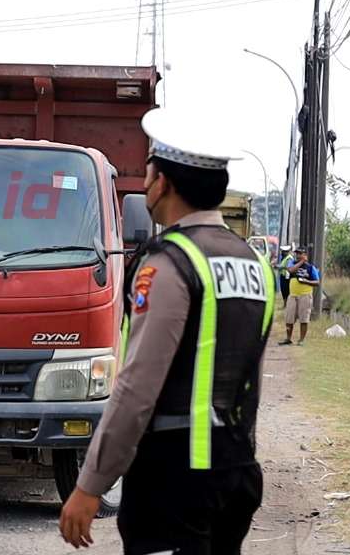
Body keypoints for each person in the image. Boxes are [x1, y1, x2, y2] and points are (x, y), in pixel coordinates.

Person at [59, 109, 276, 554]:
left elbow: (137, 388)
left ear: (163, 183)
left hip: (174, 480)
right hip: (236, 469)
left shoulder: (170, 263)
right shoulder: (254, 264)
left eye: (150, 171)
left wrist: (90, 485)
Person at [279, 246, 320, 346]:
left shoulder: (310, 268)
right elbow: (290, 270)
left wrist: (307, 281)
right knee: (289, 318)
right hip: (293, 295)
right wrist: (301, 262)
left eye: (300, 253)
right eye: (296, 253)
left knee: (304, 318)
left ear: (305, 255)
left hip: (305, 295)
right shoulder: (292, 263)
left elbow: (317, 282)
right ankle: (288, 338)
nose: (297, 255)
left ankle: (301, 340)